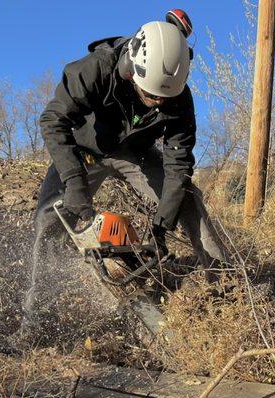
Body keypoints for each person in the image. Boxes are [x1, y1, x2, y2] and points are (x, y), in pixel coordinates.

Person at [20, 13, 227, 345]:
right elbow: (53, 120)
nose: (160, 102)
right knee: (49, 220)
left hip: (136, 152)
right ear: (134, 68)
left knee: (187, 198)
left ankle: (228, 288)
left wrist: (162, 224)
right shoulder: (97, 67)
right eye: (152, 95)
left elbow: (178, 164)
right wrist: (74, 182)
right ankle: (36, 321)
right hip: (85, 147)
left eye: (165, 98)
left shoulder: (180, 99)